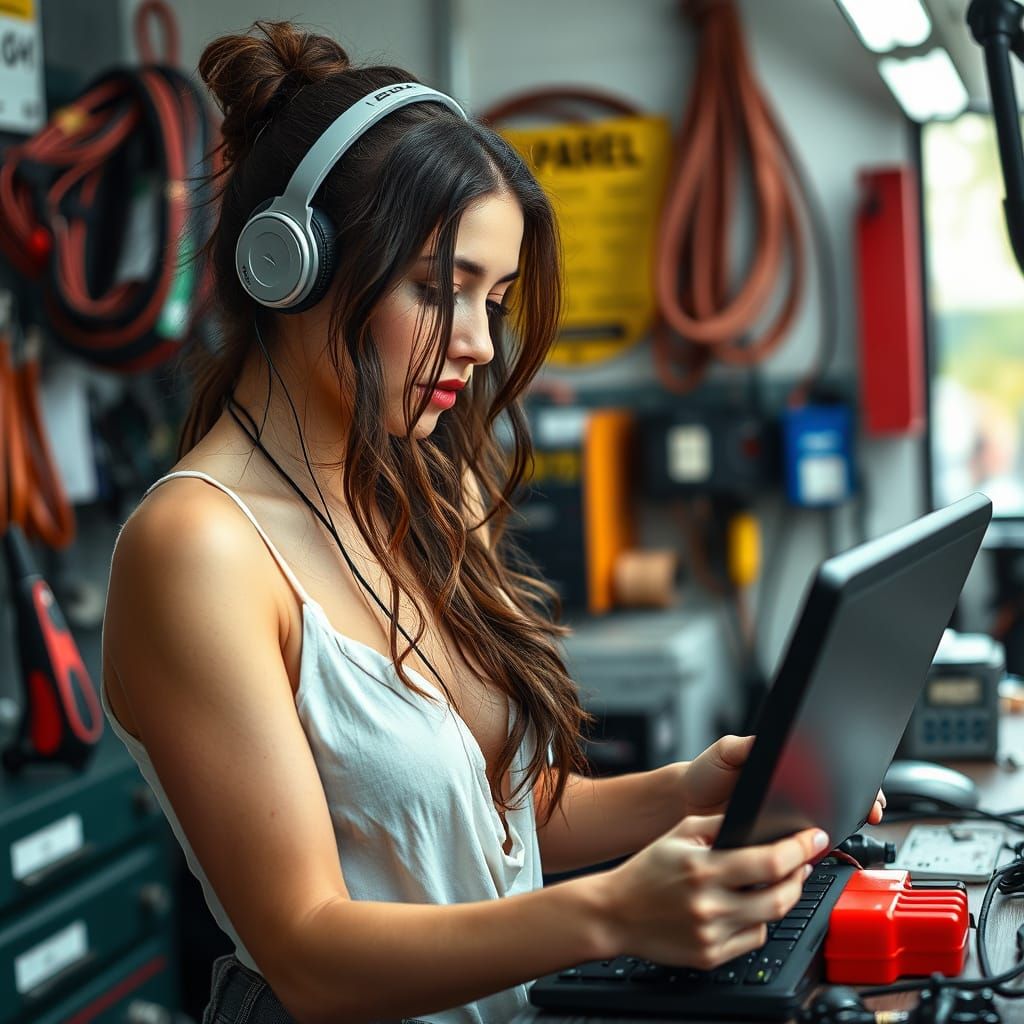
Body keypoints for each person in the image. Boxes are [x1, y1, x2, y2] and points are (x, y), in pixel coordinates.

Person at [100, 20, 884, 1024]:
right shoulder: (198, 550)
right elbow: (309, 949)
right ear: (289, 268)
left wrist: (689, 789)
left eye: (495, 299)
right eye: (440, 288)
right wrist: (608, 914)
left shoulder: (429, 491)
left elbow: (483, 817)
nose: (476, 343)